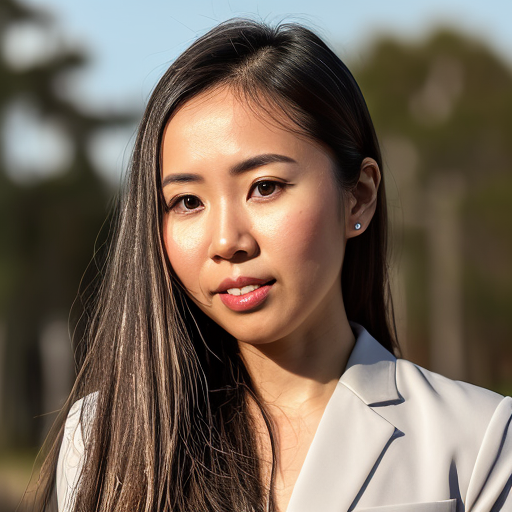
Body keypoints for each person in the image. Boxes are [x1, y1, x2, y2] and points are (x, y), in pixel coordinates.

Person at [31, 19, 511, 512]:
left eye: (265, 187)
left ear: (359, 198)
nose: (226, 242)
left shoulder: (478, 441)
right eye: (188, 201)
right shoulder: (102, 439)